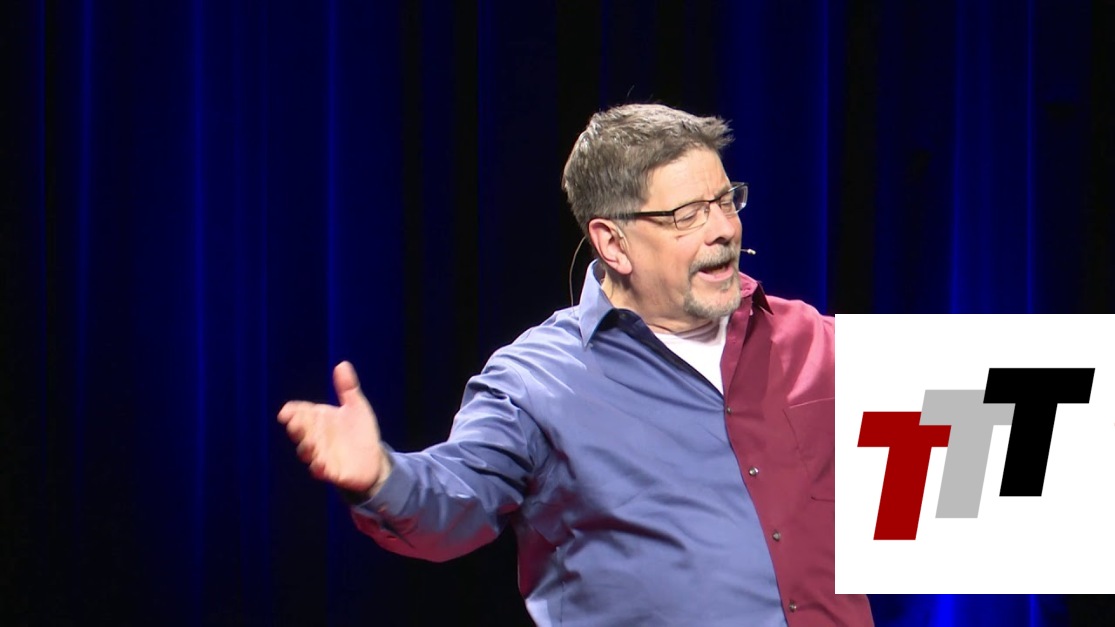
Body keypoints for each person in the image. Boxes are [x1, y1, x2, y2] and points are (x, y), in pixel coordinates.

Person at [278, 103, 874, 626]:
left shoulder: (813, 340)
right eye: (688, 214)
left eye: (725, 200)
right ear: (613, 243)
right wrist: (382, 477)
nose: (724, 229)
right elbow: (454, 502)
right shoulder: (536, 383)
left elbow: (929, 490)